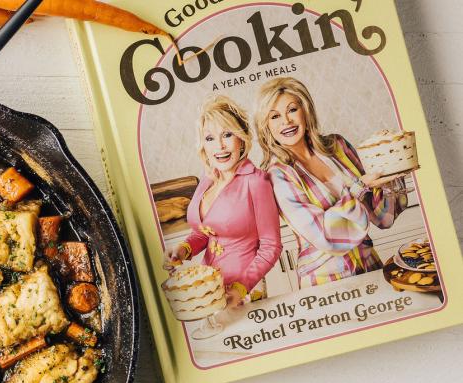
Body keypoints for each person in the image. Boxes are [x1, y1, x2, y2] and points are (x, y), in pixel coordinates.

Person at [254, 77, 404, 286]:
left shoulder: (337, 146)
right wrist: (360, 187)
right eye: (275, 116)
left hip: (370, 265)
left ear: (306, 111)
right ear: (266, 126)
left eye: (292, 110)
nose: (286, 121)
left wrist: (389, 169)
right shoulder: (278, 175)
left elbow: (383, 218)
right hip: (324, 280)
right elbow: (324, 235)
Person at [166, 96, 283, 307]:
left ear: (241, 139)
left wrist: (240, 288)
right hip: (208, 288)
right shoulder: (208, 179)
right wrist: (183, 249)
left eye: (227, 135)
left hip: (244, 292)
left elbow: (271, 247)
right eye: (210, 138)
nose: (219, 146)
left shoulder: (256, 181)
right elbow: (203, 233)